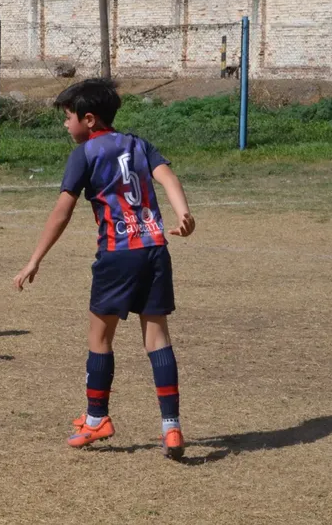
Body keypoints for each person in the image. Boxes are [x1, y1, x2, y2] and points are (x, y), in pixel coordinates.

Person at [13, 78, 196, 460]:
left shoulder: (85, 153)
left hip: (117, 255)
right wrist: (183, 212)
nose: (65, 125)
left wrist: (35, 258)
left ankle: (97, 418)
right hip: (154, 248)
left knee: (100, 338)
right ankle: (171, 426)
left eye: (68, 117)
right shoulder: (138, 144)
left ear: (89, 119)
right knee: (157, 337)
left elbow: (62, 212)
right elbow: (167, 176)